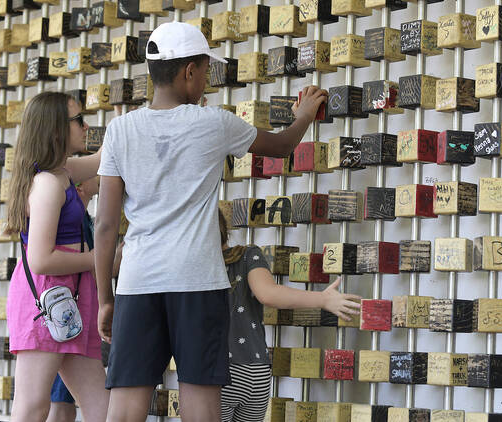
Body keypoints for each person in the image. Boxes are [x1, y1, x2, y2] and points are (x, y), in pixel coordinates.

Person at [93, 21, 328, 422]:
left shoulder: (119, 131)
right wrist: (304, 115)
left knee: (125, 409)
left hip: (138, 282)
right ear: (189, 71)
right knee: (200, 404)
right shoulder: (214, 123)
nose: (206, 81)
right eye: (205, 71)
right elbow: (283, 146)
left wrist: (104, 298)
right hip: (198, 283)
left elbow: (105, 225)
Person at [4, 91, 109, 422]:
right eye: (78, 120)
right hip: (48, 299)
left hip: (69, 299)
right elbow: (41, 260)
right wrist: (100, 259)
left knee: (102, 408)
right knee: (33, 406)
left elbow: (101, 160)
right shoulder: (49, 182)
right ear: (55, 130)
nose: (85, 126)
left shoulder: (62, 172)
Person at [217, 211, 360, 422]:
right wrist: (323, 300)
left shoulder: (195, 267)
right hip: (256, 371)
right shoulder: (248, 255)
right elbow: (269, 294)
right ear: (225, 230)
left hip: (218, 371)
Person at [46, 176, 100, 422]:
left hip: (78, 311)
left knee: (70, 396)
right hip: (65, 311)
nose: (101, 185)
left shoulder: (84, 220)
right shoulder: (70, 219)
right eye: (96, 181)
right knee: (59, 398)